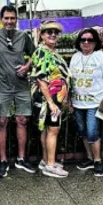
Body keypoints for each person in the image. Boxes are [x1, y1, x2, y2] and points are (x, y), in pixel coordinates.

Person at [0, 5, 37, 177]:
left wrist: (27, 67)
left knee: (22, 120)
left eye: (12, 18)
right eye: (6, 18)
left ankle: (21, 159)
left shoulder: (24, 36)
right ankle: (3, 161)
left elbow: (35, 55)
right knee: (1, 121)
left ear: (16, 19)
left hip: (21, 85)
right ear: (1, 19)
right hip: (2, 85)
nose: (9, 21)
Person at [69, 27, 103, 177]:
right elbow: (70, 80)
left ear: (95, 42)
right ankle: (89, 158)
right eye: (83, 40)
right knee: (83, 131)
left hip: (96, 102)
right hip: (77, 102)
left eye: (90, 40)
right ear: (79, 42)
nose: (86, 42)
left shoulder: (101, 56)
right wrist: (68, 100)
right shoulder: (75, 57)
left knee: (92, 132)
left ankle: (97, 161)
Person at [31, 21, 70, 178]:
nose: (53, 35)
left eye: (55, 32)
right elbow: (41, 79)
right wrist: (51, 102)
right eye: (49, 32)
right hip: (48, 100)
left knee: (47, 130)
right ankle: (51, 166)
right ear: (42, 35)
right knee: (53, 130)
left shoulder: (52, 52)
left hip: (53, 100)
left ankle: (46, 160)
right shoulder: (42, 52)